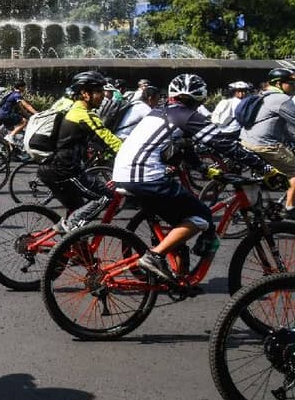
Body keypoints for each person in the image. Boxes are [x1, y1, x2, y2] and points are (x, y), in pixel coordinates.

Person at [114, 74, 277, 281]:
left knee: (182, 221)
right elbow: (223, 143)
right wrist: (264, 166)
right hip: (146, 176)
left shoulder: (159, 111)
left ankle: (180, 277)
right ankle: (154, 256)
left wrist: (204, 169)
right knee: (201, 217)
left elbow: (185, 145)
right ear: (198, 99)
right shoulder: (187, 115)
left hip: (125, 173)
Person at [38, 72, 122, 234]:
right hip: (65, 170)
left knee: (79, 210)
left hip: (51, 167)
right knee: (106, 196)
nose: (103, 96)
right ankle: (70, 229)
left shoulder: (70, 107)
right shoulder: (84, 114)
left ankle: (73, 254)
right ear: (85, 94)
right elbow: (109, 139)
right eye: (98, 91)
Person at [240, 68, 295, 217]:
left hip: (246, 140)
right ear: (278, 83)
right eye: (290, 83)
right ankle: (290, 208)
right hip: (264, 144)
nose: (294, 86)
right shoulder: (281, 99)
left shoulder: (262, 95)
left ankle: (265, 201)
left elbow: (281, 126)